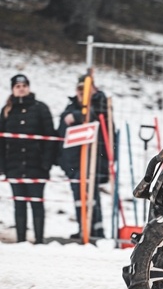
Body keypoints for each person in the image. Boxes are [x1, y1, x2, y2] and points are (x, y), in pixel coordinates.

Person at [0, 74, 57, 244]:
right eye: (17, 86)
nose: (21, 88)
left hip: (36, 166)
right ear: (13, 89)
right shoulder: (6, 111)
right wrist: (3, 166)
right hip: (14, 165)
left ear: (29, 87)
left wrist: (46, 163)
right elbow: (1, 142)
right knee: (19, 204)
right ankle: (21, 241)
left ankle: (39, 240)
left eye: (24, 85)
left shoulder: (41, 108)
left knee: (36, 204)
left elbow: (51, 138)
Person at [57, 75, 110, 239]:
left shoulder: (101, 103)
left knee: (92, 197)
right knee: (79, 198)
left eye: (86, 89)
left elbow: (98, 118)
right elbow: (61, 133)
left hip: (94, 160)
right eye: (80, 90)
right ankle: (83, 229)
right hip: (74, 161)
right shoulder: (71, 106)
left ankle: (97, 231)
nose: (82, 93)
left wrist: (78, 117)